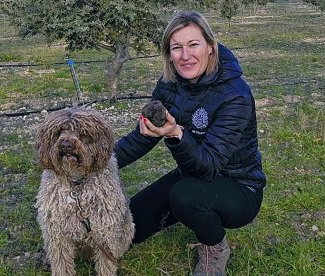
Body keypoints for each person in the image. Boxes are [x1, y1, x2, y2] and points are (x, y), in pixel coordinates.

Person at [114, 10, 266, 275]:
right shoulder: (169, 84)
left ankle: (215, 248)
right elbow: (142, 137)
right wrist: (97, 160)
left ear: (210, 46)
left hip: (239, 185)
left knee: (185, 196)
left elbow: (209, 167)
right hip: (191, 172)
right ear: (168, 54)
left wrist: (175, 134)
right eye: (177, 48)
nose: (185, 56)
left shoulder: (235, 94)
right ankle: (189, 209)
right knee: (131, 227)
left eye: (193, 44)